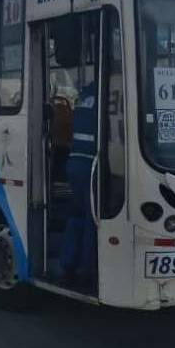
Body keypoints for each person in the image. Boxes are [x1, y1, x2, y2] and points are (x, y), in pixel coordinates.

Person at [59, 78, 97, 288]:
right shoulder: (107, 93)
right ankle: (86, 270)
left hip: (74, 162)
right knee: (92, 219)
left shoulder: (85, 95)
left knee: (77, 216)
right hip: (91, 164)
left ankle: (68, 266)